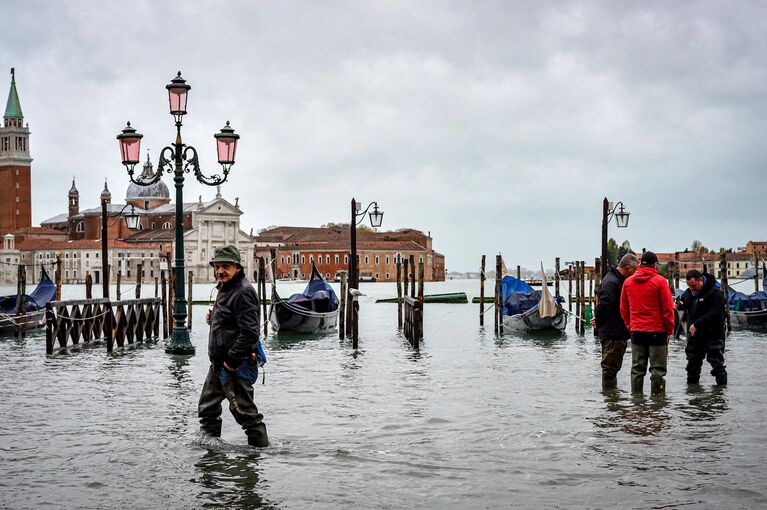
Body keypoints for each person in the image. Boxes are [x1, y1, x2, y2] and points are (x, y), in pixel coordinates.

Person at [198, 245, 269, 447]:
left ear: (237, 267)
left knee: (245, 414)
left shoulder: (243, 292)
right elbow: (234, 324)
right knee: (207, 409)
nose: (220, 271)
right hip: (219, 362)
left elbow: (250, 333)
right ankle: (210, 454)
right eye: (217, 266)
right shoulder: (226, 289)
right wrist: (215, 319)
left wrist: (231, 362)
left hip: (236, 363)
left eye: (225, 266)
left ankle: (257, 459)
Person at [620, 251, 675, 395]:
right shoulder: (660, 281)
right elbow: (668, 310)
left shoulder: (628, 282)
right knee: (658, 371)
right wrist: (669, 331)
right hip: (657, 333)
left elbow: (623, 309)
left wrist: (630, 326)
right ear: (655, 264)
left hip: (637, 332)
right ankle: (657, 407)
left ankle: (637, 404)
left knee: (637, 370)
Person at [594, 253, 639, 389]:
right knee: (610, 369)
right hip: (612, 333)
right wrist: (599, 323)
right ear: (629, 268)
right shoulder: (612, 282)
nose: (635, 275)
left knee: (611, 368)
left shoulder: (614, 279)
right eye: (635, 271)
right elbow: (603, 306)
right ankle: (611, 402)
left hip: (614, 331)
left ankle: (611, 402)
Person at [676, 269, 727, 386]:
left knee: (717, 365)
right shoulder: (689, 292)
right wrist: (678, 304)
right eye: (689, 286)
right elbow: (683, 301)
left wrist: (697, 324)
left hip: (713, 334)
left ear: (701, 281)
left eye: (693, 285)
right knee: (692, 366)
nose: (691, 288)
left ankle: (721, 395)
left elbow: (715, 312)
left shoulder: (716, 293)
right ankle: (693, 395)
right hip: (695, 336)